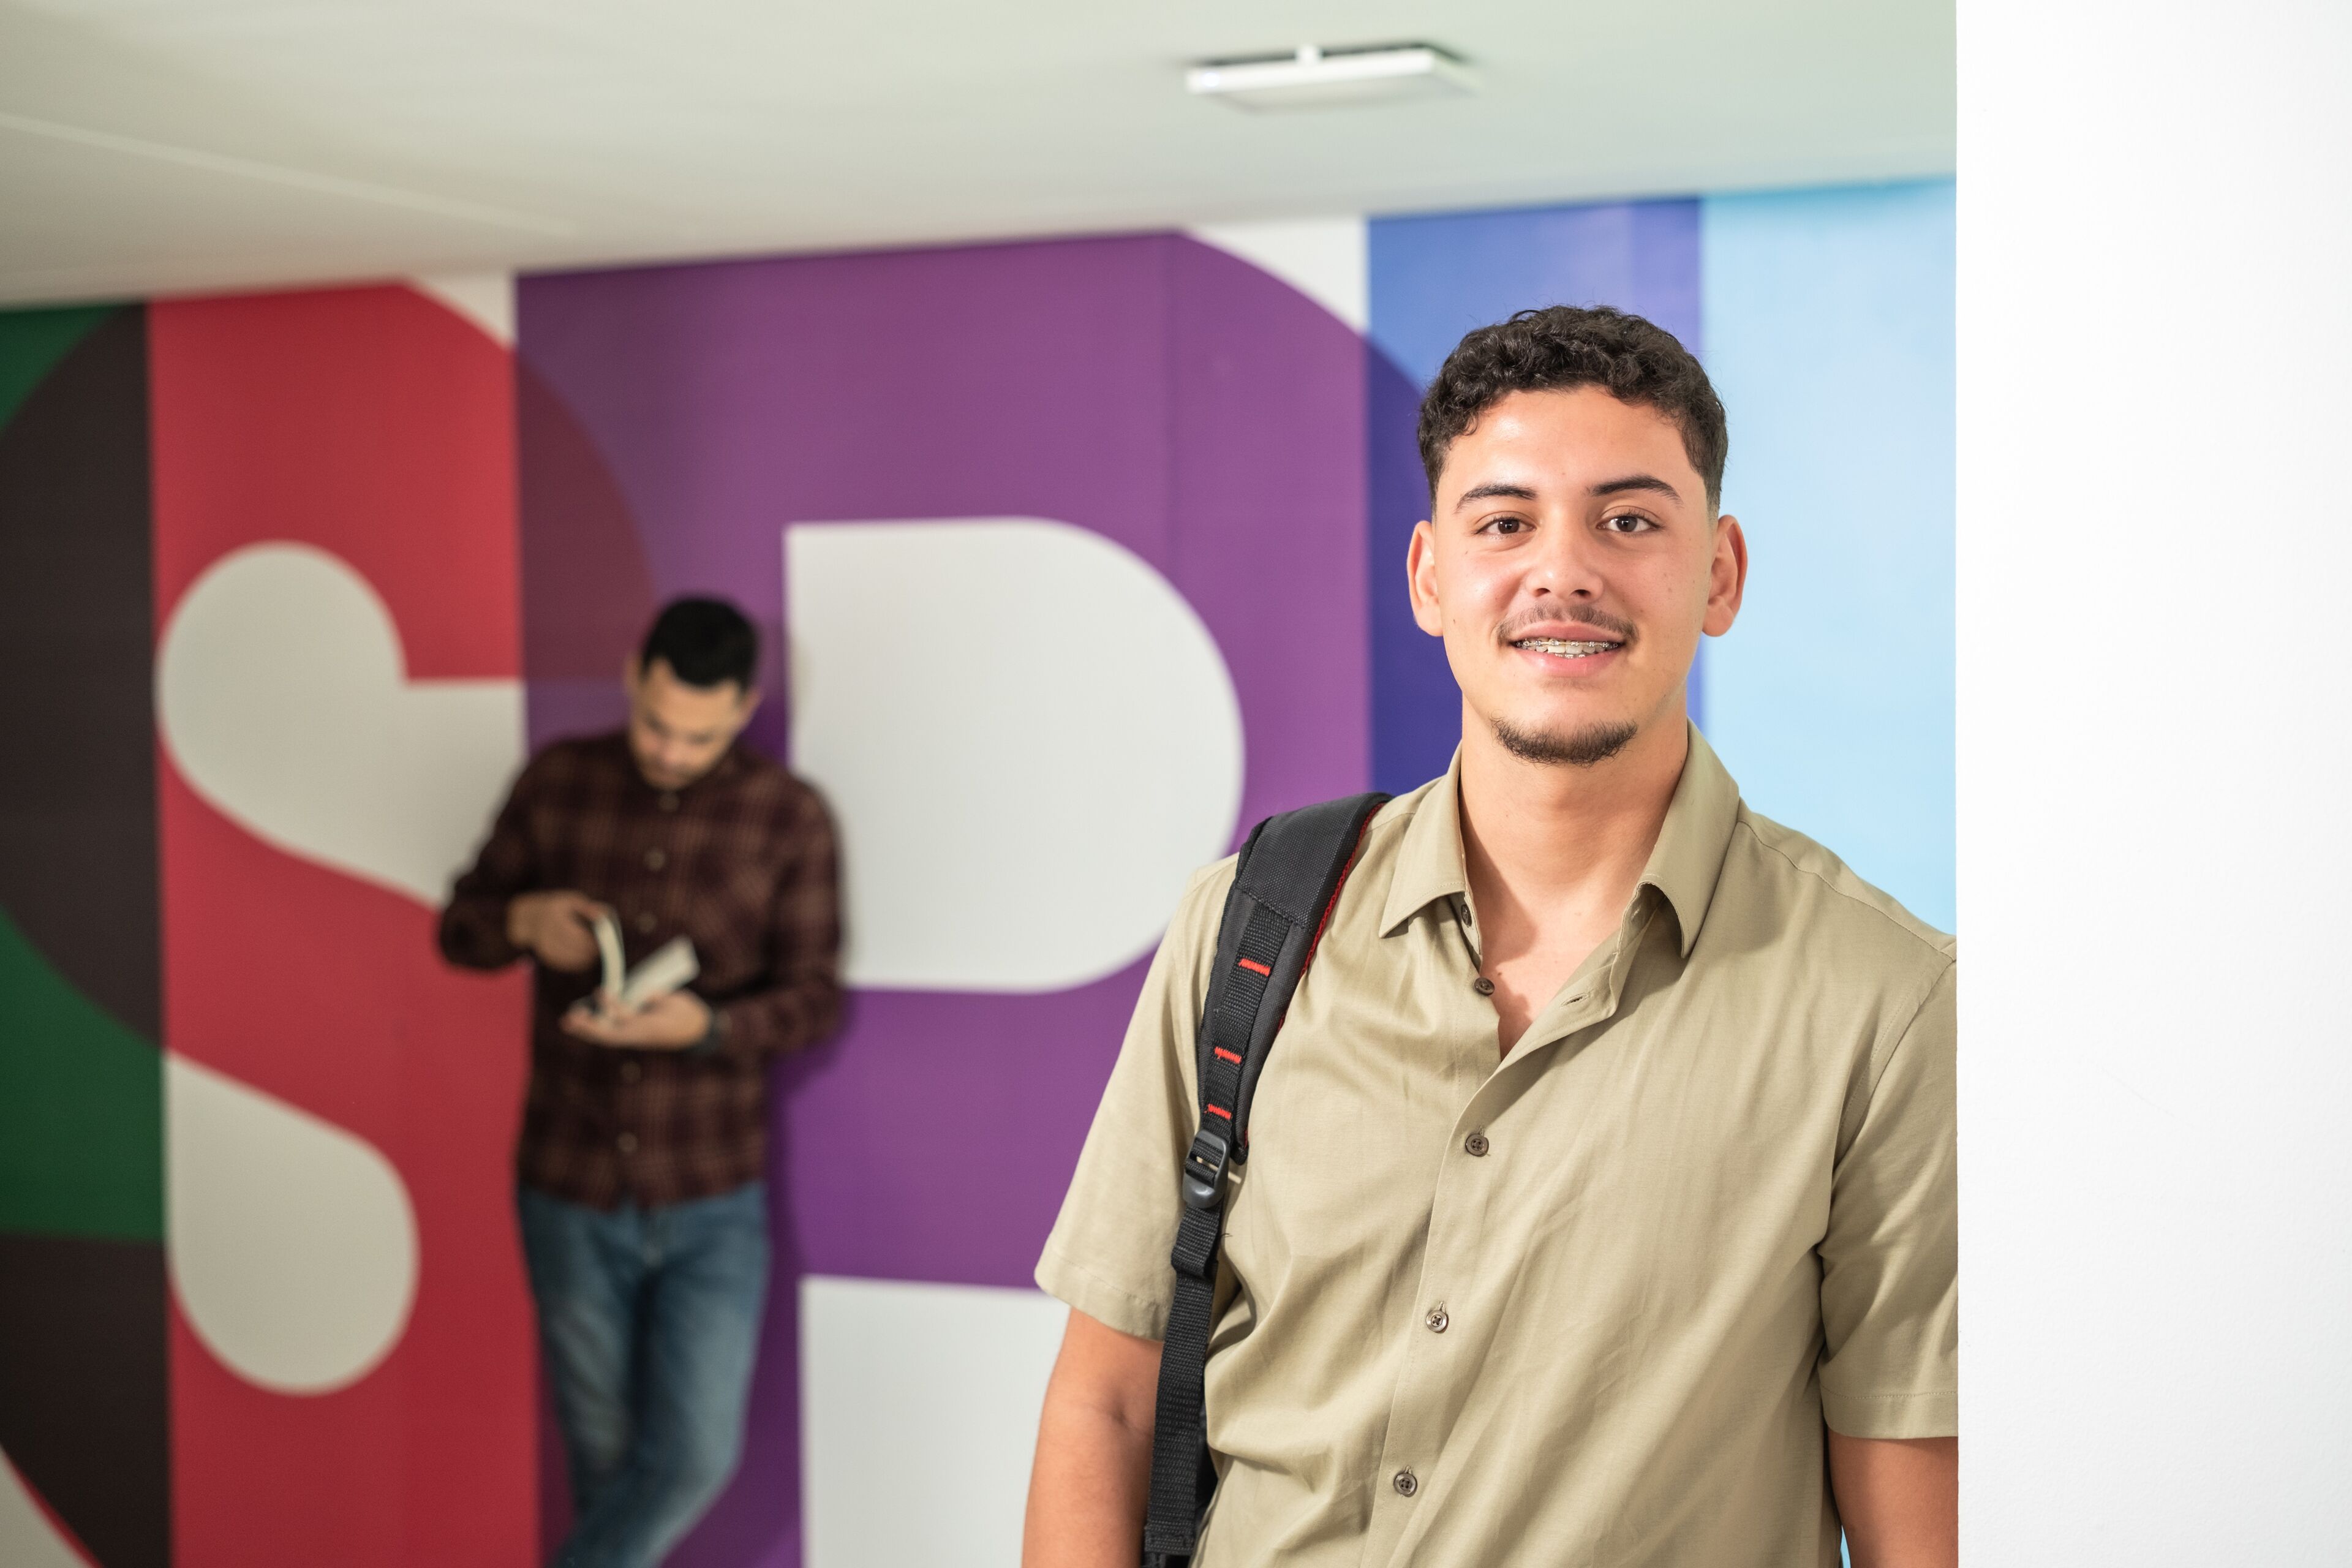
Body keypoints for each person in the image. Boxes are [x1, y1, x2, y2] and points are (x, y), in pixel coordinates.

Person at [1022, 307, 1956, 1568]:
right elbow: (1110, 1399)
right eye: (1505, 521)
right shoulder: (1250, 923)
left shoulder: (1885, 1001)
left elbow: (1912, 1503)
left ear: (1721, 572)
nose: (1562, 570)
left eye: (1629, 520)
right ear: (1429, 576)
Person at [439, 597, 842, 1568]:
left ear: (743, 709)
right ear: (633, 678)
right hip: (568, 1184)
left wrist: (706, 1026)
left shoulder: (786, 818)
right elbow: (460, 927)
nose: (668, 749)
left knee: (695, 1455)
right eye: (656, 723)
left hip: (712, 1194)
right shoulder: (560, 782)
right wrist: (526, 923)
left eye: (696, 735)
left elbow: (813, 1002)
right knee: (603, 1464)